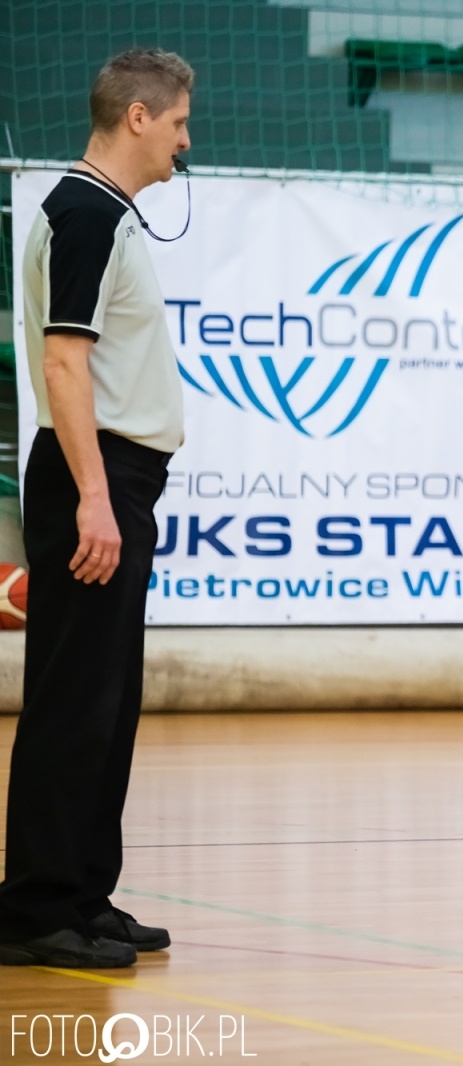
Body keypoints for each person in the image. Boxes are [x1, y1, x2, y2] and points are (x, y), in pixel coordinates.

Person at [0, 50, 193, 969]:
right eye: (179, 122)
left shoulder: (104, 213)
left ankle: (82, 893)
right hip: (96, 474)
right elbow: (63, 363)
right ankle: (35, 909)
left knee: (107, 701)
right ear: (138, 117)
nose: (186, 141)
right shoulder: (85, 215)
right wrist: (93, 498)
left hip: (116, 476)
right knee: (73, 700)